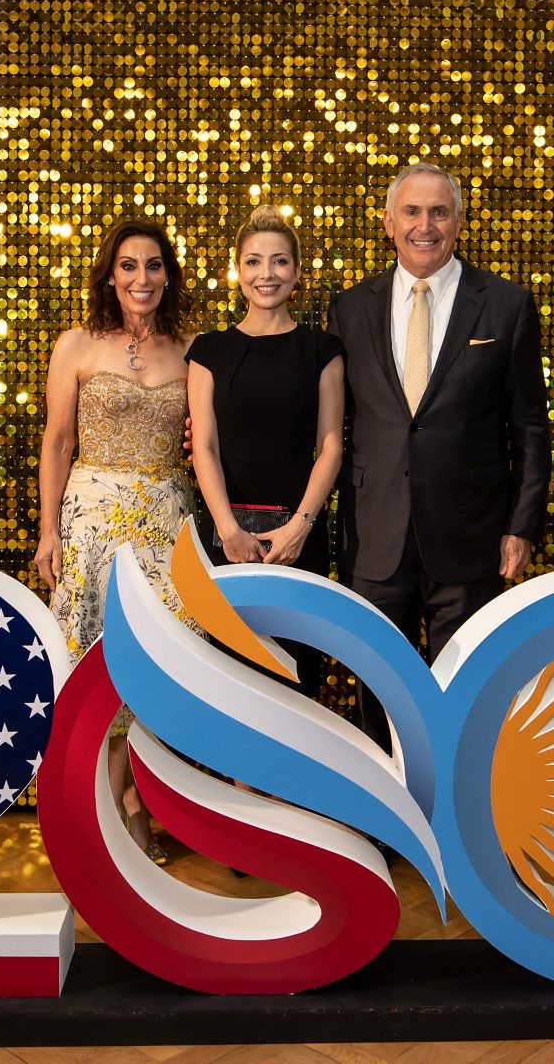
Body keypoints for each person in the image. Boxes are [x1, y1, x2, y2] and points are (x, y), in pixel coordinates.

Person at [328, 163, 550, 749]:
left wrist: (522, 526)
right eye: (411, 211)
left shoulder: (505, 305)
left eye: (438, 212)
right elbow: (329, 420)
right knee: (377, 693)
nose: (424, 226)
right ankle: (384, 803)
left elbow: (529, 427)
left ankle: (453, 803)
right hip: (373, 535)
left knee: (466, 696)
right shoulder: (349, 309)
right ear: (388, 223)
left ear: (458, 222)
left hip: (471, 538)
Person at [35, 218, 194, 865]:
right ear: (109, 275)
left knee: (150, 667)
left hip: (165, 526)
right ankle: (112, 806)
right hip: (92, 526)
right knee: (93, 664)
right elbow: (57, 441)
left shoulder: (192, 350)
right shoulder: (76, 344)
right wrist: (49, 529)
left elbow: (212, 440)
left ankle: (127, 800)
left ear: (168, 277)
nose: (141, 278)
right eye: (128, 266)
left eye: (153, 266)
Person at [187, 204, 344, 696]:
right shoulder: (208, 351)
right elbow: (204, 446)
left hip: (299, 540)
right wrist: (228, 530)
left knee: (295, 679)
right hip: (225, 539)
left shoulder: (323, 350)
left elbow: (330, 445)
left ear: (296, 272)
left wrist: (299, 528)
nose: (266, 274)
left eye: (279, 261)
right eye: (253, 261)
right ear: (238, 272)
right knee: (228, 682)